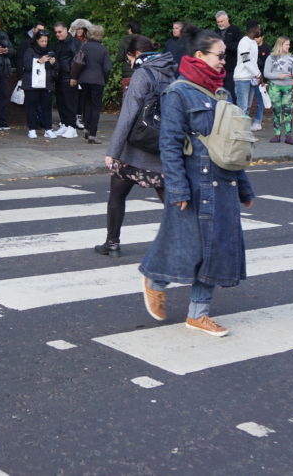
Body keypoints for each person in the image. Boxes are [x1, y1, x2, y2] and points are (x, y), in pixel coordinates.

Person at [139, 26, 255, 336]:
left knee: (217, 250)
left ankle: (198, 314)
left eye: (225, 56)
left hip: (224, 183)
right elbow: (170, 143)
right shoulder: (177, 92)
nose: (223, 62)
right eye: (220, 56)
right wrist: (176, 186)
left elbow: (232, 146)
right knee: (185, 247)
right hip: (194, 183)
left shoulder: (223, 93)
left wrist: (244, 185)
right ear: (200, 56)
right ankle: (155, 280)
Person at [98, 36, 175, 257]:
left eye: (129, 59)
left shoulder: (142, 74)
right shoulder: (172, 70)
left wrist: (112, 152)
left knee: (117, 195)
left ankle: (112, 243)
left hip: (134, 149)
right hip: (162, 146)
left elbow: (128, 115)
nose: (129, 63)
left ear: (135, 55)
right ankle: (183, 243)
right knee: (171, 201)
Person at [71, 24, 111, 144]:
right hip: (98, 80)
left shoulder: (84, 46)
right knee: (95, 107)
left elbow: (77, 62)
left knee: (87, 104)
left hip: (84, 79)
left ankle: (86, 128)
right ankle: (92, 134)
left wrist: (75, 77)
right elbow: (107, 68)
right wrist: (105, 79)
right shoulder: (104, 50)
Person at [20, 30, 57, 138]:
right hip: (31, 84)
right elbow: (26, 66)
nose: (44, 43)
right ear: (36, 41)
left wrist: (53, 64)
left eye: (46, 41)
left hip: (46, 83)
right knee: (31, 107)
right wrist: (38, 61)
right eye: (42, 41)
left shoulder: (50, 51)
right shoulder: (29, 51)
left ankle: (48, 128)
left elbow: (55, 69)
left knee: (47, 107)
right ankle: (31, 129)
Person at [264, 36, 293, 144]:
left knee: (288, 112)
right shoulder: (271, 57)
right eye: (287, 44)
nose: (289, 46)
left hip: (288, 87)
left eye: (289, 44)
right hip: (275, 87)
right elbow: (266, 74)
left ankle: (288, 136)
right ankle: (277, 135)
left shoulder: (292, 57)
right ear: (280, 45)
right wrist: (279, 76)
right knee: (276, 111)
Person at [50, 22, 80, 138]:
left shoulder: (74, 43)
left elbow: (78, 61)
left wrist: (74, 77)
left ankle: (72, 127)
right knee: (61, 103)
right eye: (56, 32)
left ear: (66, 30)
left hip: (69, 76)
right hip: (60, 76)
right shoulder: (58, 44)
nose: (57, 34)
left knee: (70, 103)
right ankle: (65, 124)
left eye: (60, 32)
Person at [233, 19, 263, 128]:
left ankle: (244, 131)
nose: (260, 30)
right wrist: (258, 74)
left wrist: (258, 75)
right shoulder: (244, 42)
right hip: (242, 78)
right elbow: (246, 61)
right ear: (254, 29)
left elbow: (253, 62)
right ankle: (240, 131)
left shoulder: (253, 43)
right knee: (242, 107)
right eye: (258, 28)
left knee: (248, 106)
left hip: (250, 78)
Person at [215, 10, 243, 101]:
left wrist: (226, 45)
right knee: (219, 92)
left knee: (231, 92)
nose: (219, 24)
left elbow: (239, 46)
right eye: (218, 22)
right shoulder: (216, 32)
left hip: (232, 68)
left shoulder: (235, 30)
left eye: (221, 21)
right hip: (218, 68)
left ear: (227, 20)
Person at [254, 32, 272, 131]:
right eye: (255, 37)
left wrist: (266, 81)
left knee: (259, 102)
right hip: (250, 78)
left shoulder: (267, 49)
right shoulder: (251, 47)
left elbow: (268, 66)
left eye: (258, 37)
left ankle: (258, 121)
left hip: (261, 79)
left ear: (262, 37)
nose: (256, 39)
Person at [116, 20, 141, 91]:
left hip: (127, 73)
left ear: (130, 29)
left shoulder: (124, 40)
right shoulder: (143, 40)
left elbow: (120, 58)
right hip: (140, 72)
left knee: (126, 96)